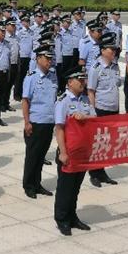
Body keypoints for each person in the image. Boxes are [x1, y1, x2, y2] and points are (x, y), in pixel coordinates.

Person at [53, 70, 95, 236]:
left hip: (83, 151)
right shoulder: (63, 101)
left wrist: (85, 117)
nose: (82, 82)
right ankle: (62, 219)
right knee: (65, 188)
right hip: (69, 152)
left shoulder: (85, 99)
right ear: (70, 82)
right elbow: (59, 128)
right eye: (79, 79)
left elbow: (95, 119)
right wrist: (63, 152)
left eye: (83, 79)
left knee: (75, 188)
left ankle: (72, 217)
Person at [21, 43, 57, 198]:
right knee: (32, 156)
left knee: (41, 155)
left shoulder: (53, 76)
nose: (49, 61)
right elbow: (25, 101)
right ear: (38, 59)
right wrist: (27, 122)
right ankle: (29, 185)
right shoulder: (31, 77)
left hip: (49, 121)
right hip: (35, 122)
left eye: (50, 58)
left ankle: (37, 183)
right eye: (46, 58)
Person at [85, 33, 120, 188]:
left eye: (114, 49)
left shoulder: (115, 66)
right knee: (97, 143)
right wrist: (92, 112)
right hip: (101, 109)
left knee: (108, 143)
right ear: (103, 50)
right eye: (111, 49)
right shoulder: (96, 68)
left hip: (113, 109)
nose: (113, 51)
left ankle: (102, 171)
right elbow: (91, 91)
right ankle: (94, 173)